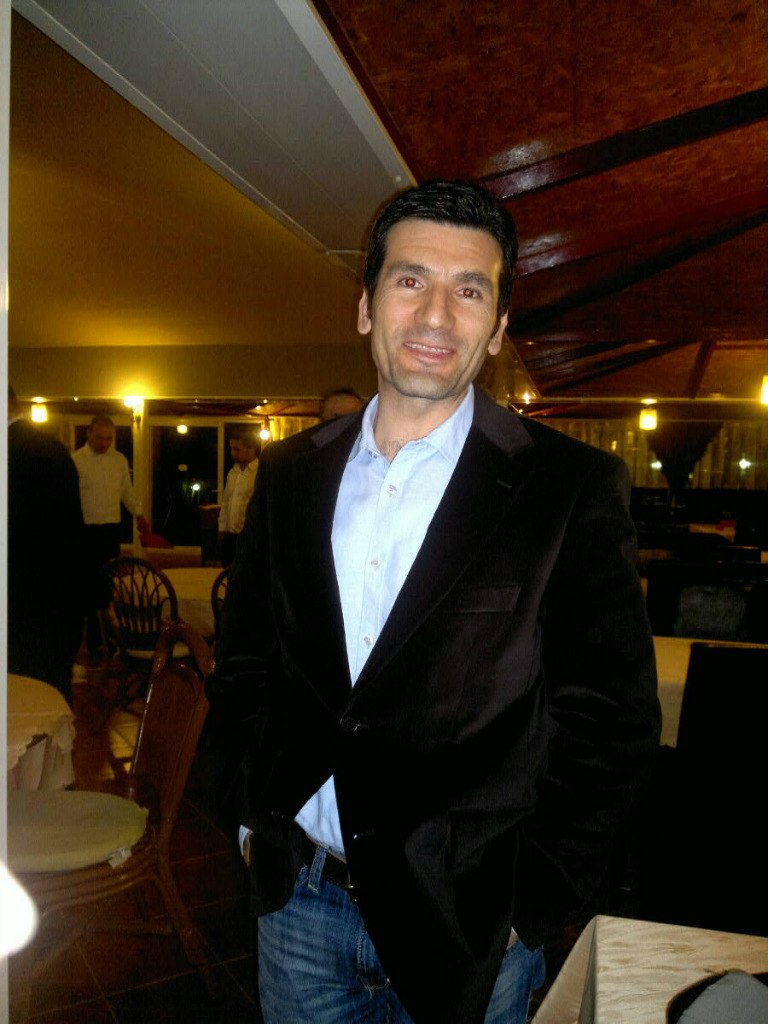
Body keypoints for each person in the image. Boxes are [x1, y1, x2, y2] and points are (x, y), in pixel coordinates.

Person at [209, 180, 660, 1024]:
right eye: (411, 280)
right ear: (366, 306)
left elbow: (612, 723)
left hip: (471, 926)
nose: (436, 315)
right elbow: (246, 664)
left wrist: (535, 903)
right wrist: (247, 820)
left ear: (498, 328)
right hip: (299, 902)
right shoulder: (291, 473)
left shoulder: (569, 488)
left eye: (470, 290)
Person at [7, 388, 88, 703]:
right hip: (54, 605)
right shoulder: (50, 449)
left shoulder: (22, 452)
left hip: (26, 608)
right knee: (49, 700)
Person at [72, 414, 148, 568]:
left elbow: (126, 491)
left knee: (111, 571)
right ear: (89, 433)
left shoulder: (119, 460)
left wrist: (139, 514)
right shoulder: (76, 460)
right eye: (100, 438)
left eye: (109, 438)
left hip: (112, 528)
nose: (104, 443)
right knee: (87, 572)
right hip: (86, 528)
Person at [218, 433, 261, 566]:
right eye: (231, 449)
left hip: (249, 535)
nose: (233, 453)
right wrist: (222, 526)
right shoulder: (233, 472)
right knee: (228, 569)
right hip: (230, 534)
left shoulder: (260, 472)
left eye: (237, 449)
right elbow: (226, 501)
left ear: (251, 449)